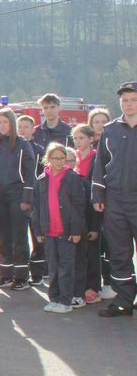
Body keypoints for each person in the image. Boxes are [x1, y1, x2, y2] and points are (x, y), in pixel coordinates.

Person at [91, 82, 137, 318]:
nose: (129, 104)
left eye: (133, 100)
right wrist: (98, 195)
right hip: (115, 200)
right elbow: (100, 165)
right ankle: (124, 301)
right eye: (125, 100)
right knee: (119, 252)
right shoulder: (110, 130)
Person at [33, 143, 86, 314]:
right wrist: (38, 231)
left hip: (66, 231)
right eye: (55, 158)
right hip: (49, 231)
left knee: (66, 267)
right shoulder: (41, 179)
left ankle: (65, 301)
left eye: (62, 158)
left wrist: (76, 231)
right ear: (48, 159)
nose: (59, 161)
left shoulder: (72, 178)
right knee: (53, 267)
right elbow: (37, 208)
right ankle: (54, 299)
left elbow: (79, 206)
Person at [0, 108, 35, 291]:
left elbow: (30, 173)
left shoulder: (22, 144)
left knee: (19, 237)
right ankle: (5, 275)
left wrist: (27, 198)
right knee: (3, 236)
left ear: (12, 124)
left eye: (5, 122)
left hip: (17, 195)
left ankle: (22, 277)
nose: (1, 125)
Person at [70, 125, 102, 306]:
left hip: (91, 208)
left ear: (91, 139)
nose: (78, 141)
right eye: (75, 138)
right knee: (78, 254)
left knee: (92, 251)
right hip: (76, 211)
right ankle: (79, 287)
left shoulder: (96, 157)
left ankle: (93, 287)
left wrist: (95, 225)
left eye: (81, 138)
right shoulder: (71, 157)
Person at [17, 114, 46, 284]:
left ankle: (37, 273)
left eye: (26, 127)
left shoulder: (39, 150)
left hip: (36, 198)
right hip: (17, 197)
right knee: (20, 237)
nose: (22, 130)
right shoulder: (13, 148)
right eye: (19, 127)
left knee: (37, 236)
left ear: (33, 129)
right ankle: (21, 272)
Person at [88, 106, 114, 295]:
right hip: (90, 201)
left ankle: (111, 281)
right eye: (96, 121)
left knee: (110, 242)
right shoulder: (85, 144)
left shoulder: (112, 142)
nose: (100, 125)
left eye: (104, 121)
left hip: (110, 198)